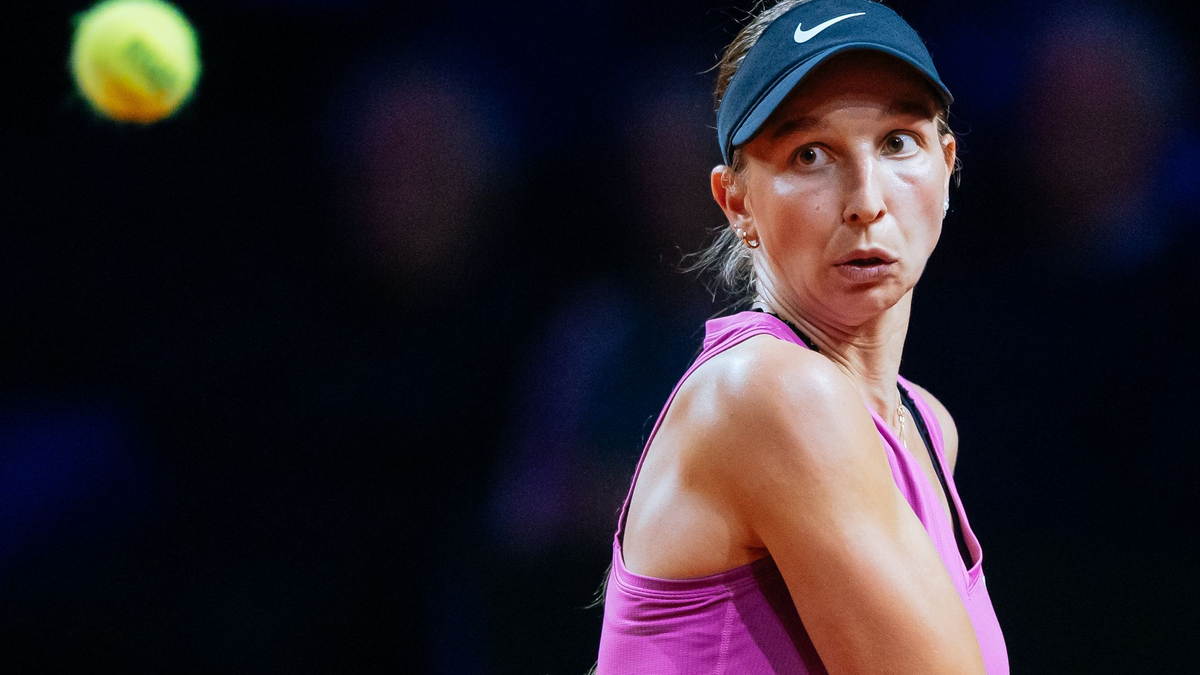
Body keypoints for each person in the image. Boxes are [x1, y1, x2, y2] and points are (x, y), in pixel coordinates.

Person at [594, 0, 1008, 673]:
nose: (866, 199)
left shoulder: (926, 425)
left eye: (899, 141)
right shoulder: (771, 394)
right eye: (811, 153)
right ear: (736, 203)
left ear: (947, 164)